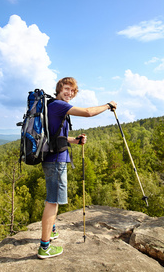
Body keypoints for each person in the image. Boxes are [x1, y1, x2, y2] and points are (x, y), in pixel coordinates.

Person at [37, 77, 117, 259]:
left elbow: (55, 136)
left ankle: (52, 230)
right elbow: (88, 112)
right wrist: (108, 105)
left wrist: (74, 140)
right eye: (66, 89)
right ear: (59, 89)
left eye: (73, 91)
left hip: (54, 158)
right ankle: (44, 247)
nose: (70, 93)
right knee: (53, 201)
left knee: (52, 197)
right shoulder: (58, 105)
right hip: (56, 161)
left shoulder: (54, 106)